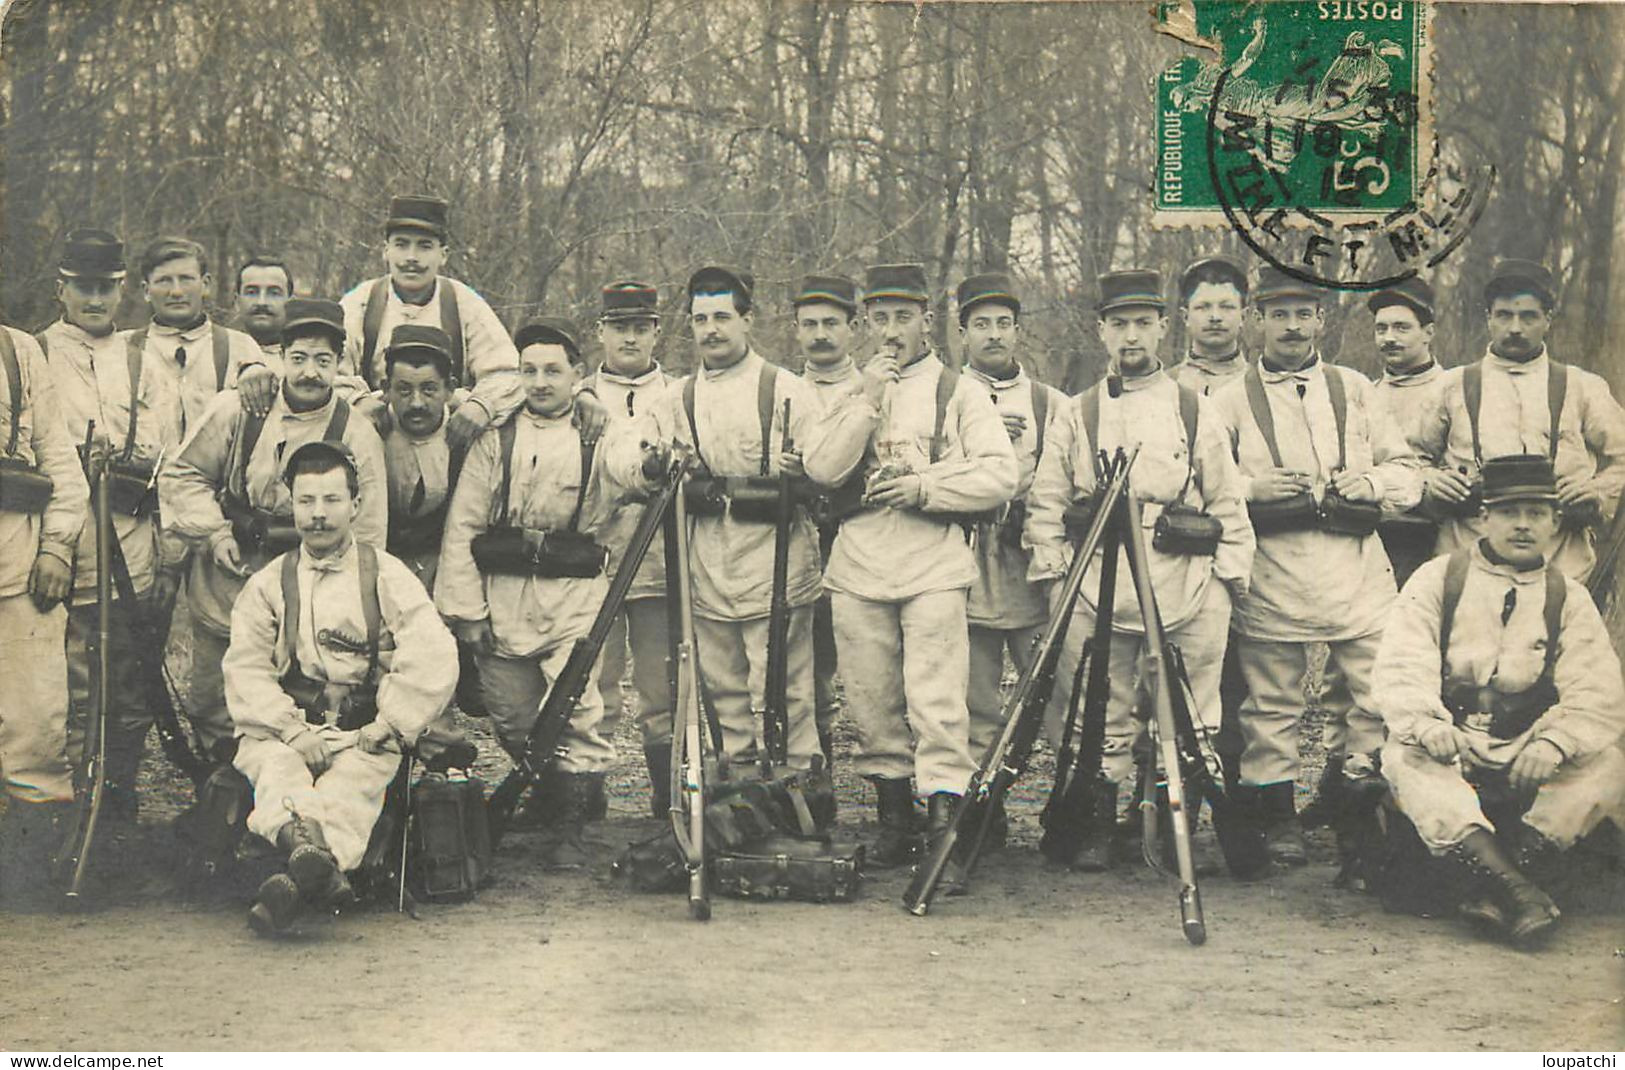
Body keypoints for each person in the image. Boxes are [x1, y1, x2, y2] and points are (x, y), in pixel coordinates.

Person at [1025, 269, 1252, 870]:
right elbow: (1046, 503)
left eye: (1143, 324)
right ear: (1101, 331)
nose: (1132, 337)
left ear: (1162, 329)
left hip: (1186, 582)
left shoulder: (1193, 409)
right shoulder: (1077, 412)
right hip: (1100, 584)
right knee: (1101, 710)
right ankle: (1098, 822)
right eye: (1119, 324)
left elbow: (1227, 501)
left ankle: (1179, 826)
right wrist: (1056, 582)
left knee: (1194, 714)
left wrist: (1226, 583)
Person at [802, 262, 1017, 879]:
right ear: (865, 323)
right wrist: (866, 401)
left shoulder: (959, 390)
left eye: (905, 317)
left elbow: (999, 473)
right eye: (881, 318)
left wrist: (925, 486)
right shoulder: (850, 390)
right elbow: (821, 469)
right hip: (859, 563)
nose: (892, 331)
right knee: (871, 699)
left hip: (933, 564)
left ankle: (945, 820)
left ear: (928, 320)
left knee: (937, 698)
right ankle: (895, 818)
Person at [1207, 265, 1420, 865]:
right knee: (1272, 703)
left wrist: (1371, 481)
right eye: (1279, 314)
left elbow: (1407, 472)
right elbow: (1204, 483)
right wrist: (1252, 488)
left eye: (1304, 314)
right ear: (1257, 322)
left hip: (1356, 574)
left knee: (1375, 693)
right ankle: (1277, 819)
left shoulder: (1356, 390)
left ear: (1322, 321)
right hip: (1273, 573)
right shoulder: (1226, 402)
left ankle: (1363, 813)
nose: (1293, 327)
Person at [1376, 454, 1625, 947]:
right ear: (1484, 517)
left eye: (1537, 514)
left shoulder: (1567, 596)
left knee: (1607, 764)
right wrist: (1430, 726)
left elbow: (1597, 689)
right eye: (1510, 513)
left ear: (1556, 523)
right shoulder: (1438, 580)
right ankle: (1522, 891)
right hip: (1454, 739)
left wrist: (1554, 742)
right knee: (1404, 759)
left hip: (1525, 745)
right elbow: (1400, 666)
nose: (1523, 526)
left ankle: (1495, 887)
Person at [436, 318, 654, 867]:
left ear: (577, 375)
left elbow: (629, 466)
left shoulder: (597, 432)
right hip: (504, 593)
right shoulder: (496, 439)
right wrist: (468, 611)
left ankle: (572, 825)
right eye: (529, 370)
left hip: (574, 595)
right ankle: (546, 793)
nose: (540, 382)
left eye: (553, 371)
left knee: (576, 709)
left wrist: (650, 466)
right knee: (511, 713)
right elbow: (463, 525)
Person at [225, 439, 456, 935]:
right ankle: (315, 870)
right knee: (278, 775)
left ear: (355, 504)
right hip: (287, 729)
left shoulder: (387, 575)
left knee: (351, 788)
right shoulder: (269, 582)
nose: (319, 515)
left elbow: (433, 650)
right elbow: (245, 666)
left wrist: (391, 722)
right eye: (306, 501)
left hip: (362, 731)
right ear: (291, 503)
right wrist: (290, 730)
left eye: (332, 501)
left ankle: (298, 869)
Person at [161, 299, 387, 761]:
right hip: (234, 569)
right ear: (280, 356)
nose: (309, 372)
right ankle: (219, 790)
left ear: (340, 364)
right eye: (299, 358)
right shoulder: (240, 409)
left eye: (323, 361)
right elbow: (182, 475)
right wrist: (214, 533)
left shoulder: (357, 431)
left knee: (298, 692)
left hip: (312, 578)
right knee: (214, 694)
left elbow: (369, 530)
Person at [640, 266, 825, 776]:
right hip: (708, 565)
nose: (711, 330)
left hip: (775, 563)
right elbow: (640, 459)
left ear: (748, 320)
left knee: (785, 688)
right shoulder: (675, 398)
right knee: (722, 686)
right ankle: (738, 791)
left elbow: (824, 469)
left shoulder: (786, 390)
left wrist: (802, 474)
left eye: (723, 316)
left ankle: (799, 789)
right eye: (701, 318)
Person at [37, 228, 182, 821]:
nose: (94, 300)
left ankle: (116, 803)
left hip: (130, 548)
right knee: (66, 690)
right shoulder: (37, 354)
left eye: (105, 288)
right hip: (60, 552)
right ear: (61, 290)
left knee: (126, 688)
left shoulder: (142, 359)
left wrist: (133, 464)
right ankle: (64, 809)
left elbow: (171, 449)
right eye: (82, 288)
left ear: (123, 290)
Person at [1415, 259, 1625, 582]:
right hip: (1466, 563)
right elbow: (1407, 458)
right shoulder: (1451, 386)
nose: (1515, 328)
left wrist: (1596, 491)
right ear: (1488, 319)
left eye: (1528, 316)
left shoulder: (1582, 387)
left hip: (1562, 568)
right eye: (1504, 315)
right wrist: (1429, 480)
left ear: (1548, 320)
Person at [956, 271, 1063, 849]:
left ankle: (1068, 804)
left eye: (1003, 324)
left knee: (1055, 691)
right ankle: (980, 811)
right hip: (967, 562)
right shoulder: (945, 397)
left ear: (1019, 331)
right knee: (973, 698)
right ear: (962, 333)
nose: (993, 335)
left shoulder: (1053, 405)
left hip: (1031, 564)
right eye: (981, 325)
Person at [0, 310, 89, 909]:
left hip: (18, 570)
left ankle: (25, 877)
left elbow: (60, 462)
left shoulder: (19, 352)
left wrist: (57, 547)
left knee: (35, 727)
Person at [339, 195, 523, 451]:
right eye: (401, 245)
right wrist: (358, 401)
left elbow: (508, 372)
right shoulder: (361, 303)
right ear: (386, 251)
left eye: (424, 246)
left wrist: (481, 406)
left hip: (447, 445)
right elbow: (329, 372)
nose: (411, 258)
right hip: (375, 441)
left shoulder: (464, 304)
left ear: (443, 255)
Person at [586, 280, 675, 814]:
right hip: (594, 561)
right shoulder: (577, 395)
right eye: (620, 327)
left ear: (657, 333)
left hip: (658, 560)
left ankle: (666, 802)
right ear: (601, 332)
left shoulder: (680, 394)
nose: (630, 339)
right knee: (595, 686)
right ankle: (587, 797)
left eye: (640, 328)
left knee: (660, 687)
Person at [793, 272, 863, 761]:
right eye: (810, 324)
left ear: (852, 327)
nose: (820, 334)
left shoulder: (874, 388)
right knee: (807, 667)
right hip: (800, 543)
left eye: (832, 323)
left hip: (860, 541)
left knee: (868, 666)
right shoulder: (783, 391)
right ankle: (817, 778)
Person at [131, 236, 276, 434]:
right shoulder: (124, 348)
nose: (176, 291)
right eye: (164, 281)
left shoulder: (241, 347)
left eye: (186, 279)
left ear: (205, 284)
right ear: (146, 291)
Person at [1367, 276, 1453, 586]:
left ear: (1428, 332)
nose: (1389, 338)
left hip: (1436, 538)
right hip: (1375, 537)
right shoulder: (1365, 393)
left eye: (1402, 328)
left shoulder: (1453, 389)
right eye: (1381, 329)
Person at [1173, 256, 1251, 397]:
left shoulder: (1263, 386)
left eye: (1226, 307)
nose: (1215, 317)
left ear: (1243, 316)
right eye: (1203, 307)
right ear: (1185, 316)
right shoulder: (1166, 385)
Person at [234, 255, 294, 372]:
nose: (262, 302)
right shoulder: (217, 352)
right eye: (252, 292)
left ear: (291, 303)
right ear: (237, 302)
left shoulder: (305, 359)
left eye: (274, 293)